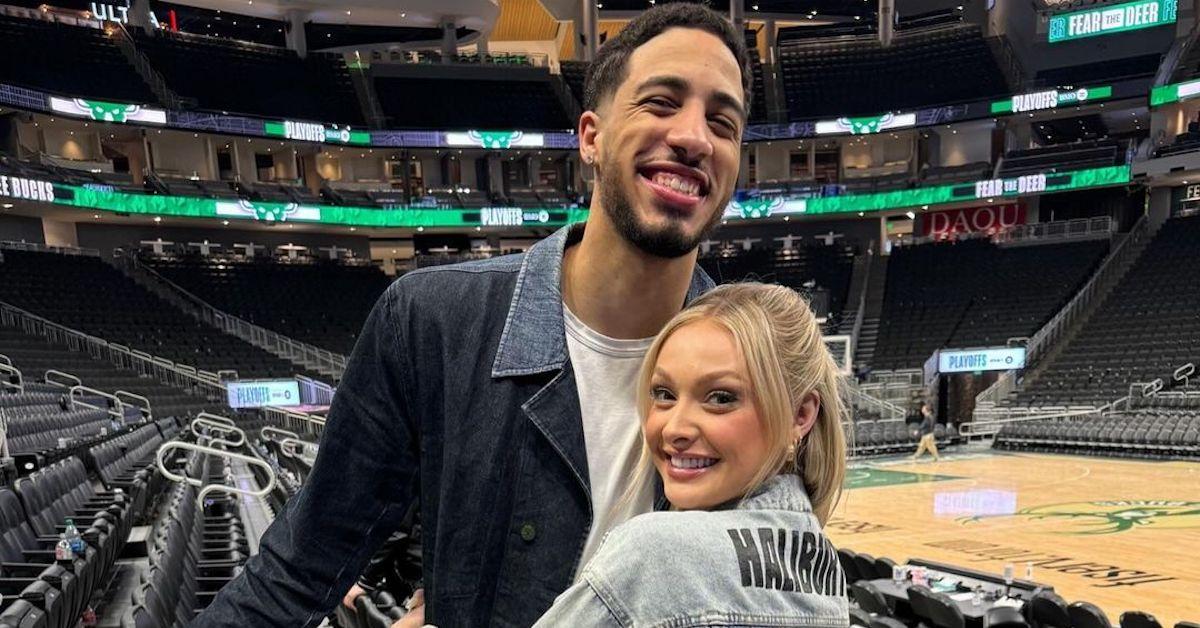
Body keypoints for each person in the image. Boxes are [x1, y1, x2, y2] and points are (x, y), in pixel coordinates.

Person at [193, 4, 752, 626]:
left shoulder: (765, 366)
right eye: (661, 102)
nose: (695, 136)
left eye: (723, 122)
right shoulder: (429, 322)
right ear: (590, 136)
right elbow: (296, 573)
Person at [398, 283, 850, 627]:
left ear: (801, 413)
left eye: (720, 398)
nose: (674, 428)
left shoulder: (657, 554)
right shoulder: (825, 567)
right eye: (664, 394)